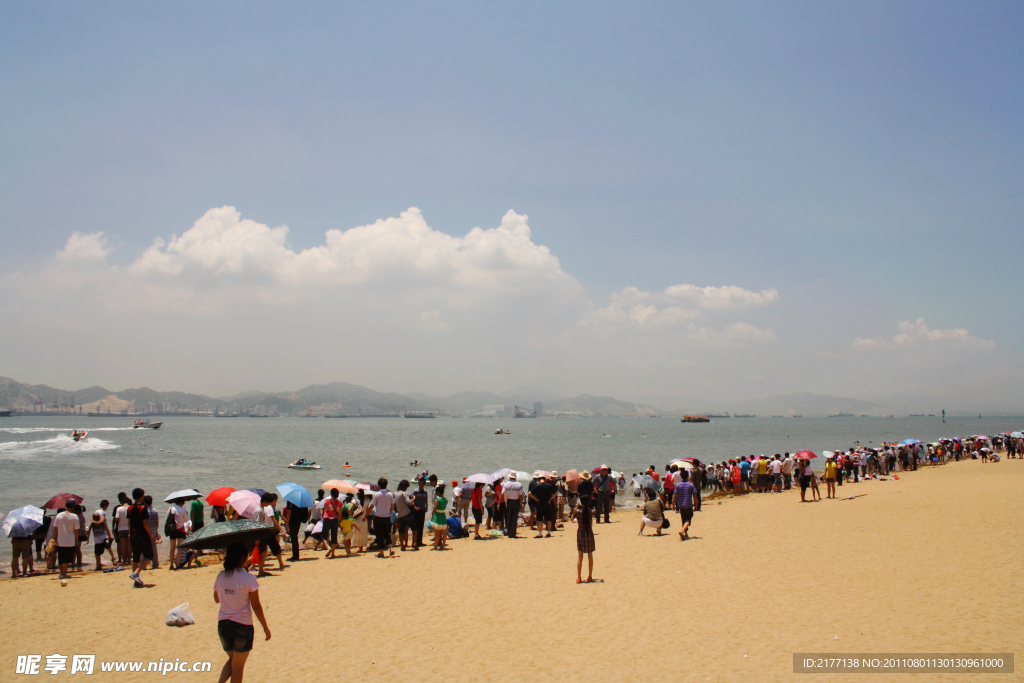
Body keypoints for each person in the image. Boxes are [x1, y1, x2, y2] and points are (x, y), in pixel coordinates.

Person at [214, 542, 271, 683]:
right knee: (238, 666)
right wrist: (265, 626)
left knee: (233, 660)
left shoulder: (221, 576)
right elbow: (256, 606)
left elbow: (216, 599)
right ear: (243, 558)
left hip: (223, 625)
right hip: (242, 625)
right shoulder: (248, 578)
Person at [127, 488, 153, 587]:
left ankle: (136, 580)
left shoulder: (129, 508)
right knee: (149, 556)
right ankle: (136, 573)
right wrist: (150, 534)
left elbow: (129, 523)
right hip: (142, 535)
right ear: (141, 496)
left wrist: (130, 533)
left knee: (136, 558)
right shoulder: (143, 508)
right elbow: (145, 522)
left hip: (133, 535)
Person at [54, 499, 81, 580]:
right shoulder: (75, 516)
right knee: (67, 558)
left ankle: (62, 572)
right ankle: (63, 573)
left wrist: (53, 539)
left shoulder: (59, 515)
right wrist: (77, 540)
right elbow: (76, 530)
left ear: (65, 506)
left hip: (60, 539)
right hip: (70, 540)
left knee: (61, 557)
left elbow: (55, 529)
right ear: (73, 507)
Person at [368, 478, 395, 558]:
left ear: (378, 486)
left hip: (378, 517)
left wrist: (366, 514)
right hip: (387, 517)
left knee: (379, 535)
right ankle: (391, 548)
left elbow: (372, 505)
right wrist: (389, 513)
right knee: (387, 534)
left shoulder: (377, 494)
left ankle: (381, 552)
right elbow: (392, 506)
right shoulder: (390, 494)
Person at [574, 494, 595, 583]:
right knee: (590, 556)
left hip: (581, 533)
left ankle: (579, 577)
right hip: (589, 532)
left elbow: (572, 519)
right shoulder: (591, 512)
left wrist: (576, 507)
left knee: (580, 556)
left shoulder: (578, 512)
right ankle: (590, 576)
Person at [671, 470, 697, 541]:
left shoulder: (678, 485)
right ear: (688, 476)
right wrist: (696, 504)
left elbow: (675, 495)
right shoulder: (691, 485)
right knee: (688, 520)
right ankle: (682, 531)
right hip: (688, 504)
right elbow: (695, 495)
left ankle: (685, 534)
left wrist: (673, 504)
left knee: (683, 519)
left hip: (681, 505)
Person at [166, 498, 189, 570]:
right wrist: (186, 514)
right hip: (180, 530)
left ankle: (171, 564)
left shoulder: (171, 508)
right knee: (179, 548)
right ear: (182, 502)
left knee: (172, 548)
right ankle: (178, 564)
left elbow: (167, 519)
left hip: (172, 530)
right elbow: (187, 520)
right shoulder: (183, 509)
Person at [10, 513, 35, 578]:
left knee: (15, 558)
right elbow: (31, 533)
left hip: (15, 541)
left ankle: (13, 573)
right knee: (25, 558)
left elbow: (12, 533)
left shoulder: (14, 524)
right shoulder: (27, 523)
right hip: (25, 541)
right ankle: (24, 572)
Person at [322, 488, 343, 558]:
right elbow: (340, 514)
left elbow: (324, 511)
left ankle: (328, 547)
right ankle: (333, 554)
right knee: (334, 537)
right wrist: (340, 522)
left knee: (323, 536)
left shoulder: (327, 501)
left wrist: (322, 517)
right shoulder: (340, 503)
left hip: (327, 519)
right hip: (335, 520)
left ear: (331, 494)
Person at [502, 472, 524, 538]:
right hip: (516, 502)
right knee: (514, 518)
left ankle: (509, 533)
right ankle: (513, 534)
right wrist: (521, 504)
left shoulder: (506, 484)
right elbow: (521, 495)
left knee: (509, 518)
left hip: (509, 501)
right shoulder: (519, 484)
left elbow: (502, 493)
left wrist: (500, 503)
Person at [411, 477, 428, 548]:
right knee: (416, 526)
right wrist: (414, 507)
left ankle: (420, 541)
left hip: (422, 510)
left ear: (424, 484)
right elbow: (410, 499)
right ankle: (414, 542)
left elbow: (425, 500)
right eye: (419, 484)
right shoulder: (415, 491)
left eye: (422, 484)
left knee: (421, 526)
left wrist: (426, 507)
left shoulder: (425, 492)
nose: (420, 485)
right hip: (416, 510)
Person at [431, 484, 449, 550]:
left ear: (438, 492)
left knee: (437, 532)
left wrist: (432, 513)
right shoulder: (446, 499)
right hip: (443, 515)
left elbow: (434, 509)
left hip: (437, 515)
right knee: (444, 532)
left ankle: (436, 546)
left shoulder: (437, 500)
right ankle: (443, 545)